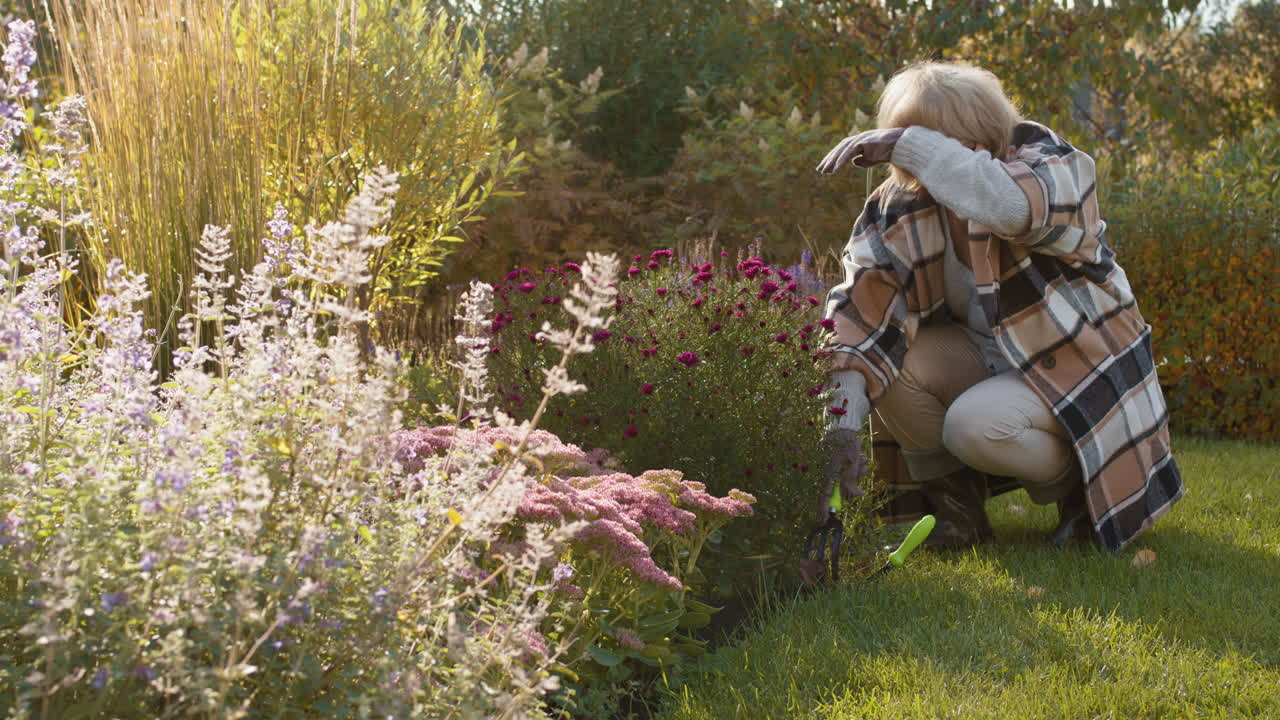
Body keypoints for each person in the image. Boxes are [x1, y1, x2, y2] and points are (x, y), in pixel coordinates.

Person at [813, 61, 1182, 552]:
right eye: (901, 136)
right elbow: (857, 316)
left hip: (1079, 367)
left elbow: (1007, 208)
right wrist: (839, 427)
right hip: (987, 360)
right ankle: (958, 517)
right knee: (890, 363)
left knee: (973, 426)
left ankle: (1083, 490)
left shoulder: (1054, 165)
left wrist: (912, 145)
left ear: (975, 134)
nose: (903, 150)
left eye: (919, 139)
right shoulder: (899, 205)